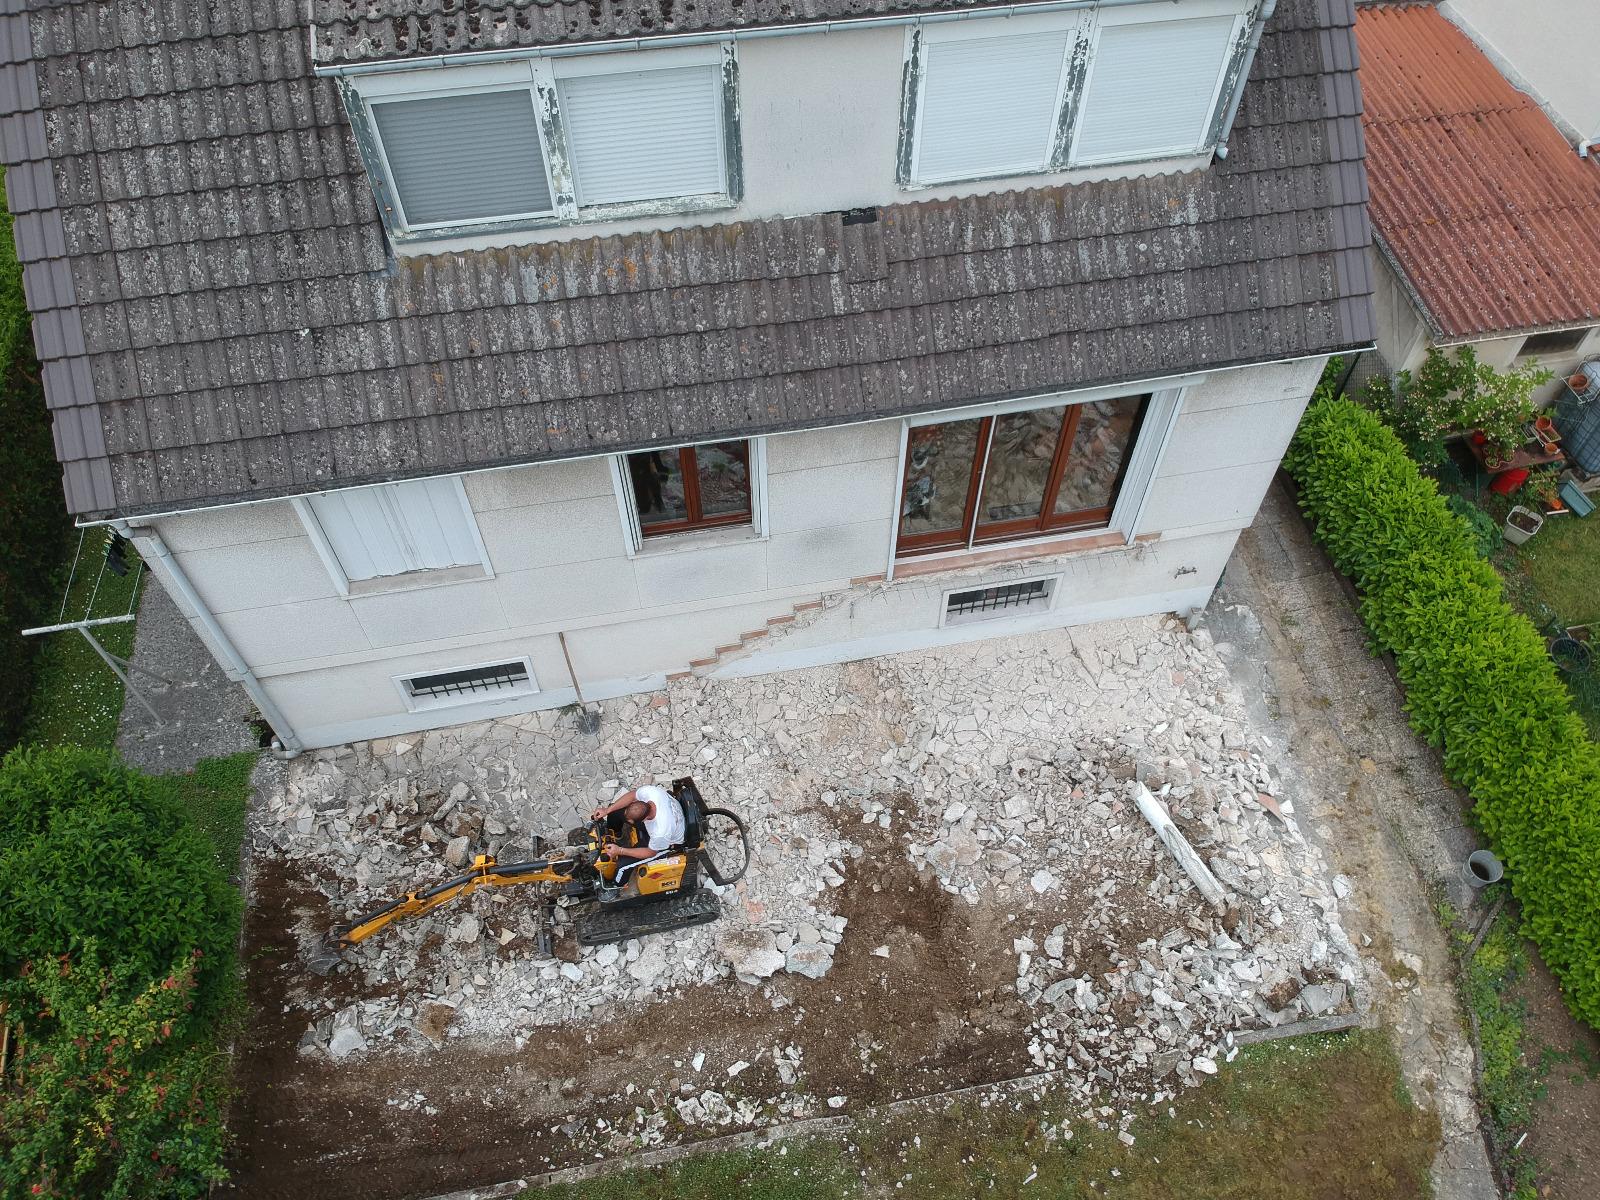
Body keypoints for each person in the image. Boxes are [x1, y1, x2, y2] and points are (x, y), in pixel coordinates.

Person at [590, 784, 686, 877]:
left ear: (644, 820)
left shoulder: (660, 832)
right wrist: (607, 810)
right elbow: (632, 795)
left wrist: (620, 850)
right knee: (614, 811)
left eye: (631, 822)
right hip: (664, 823)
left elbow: (651, 852)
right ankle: (616, 834)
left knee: (622, 865)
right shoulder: (651, 793)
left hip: (666, 842)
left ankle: (615, 887)